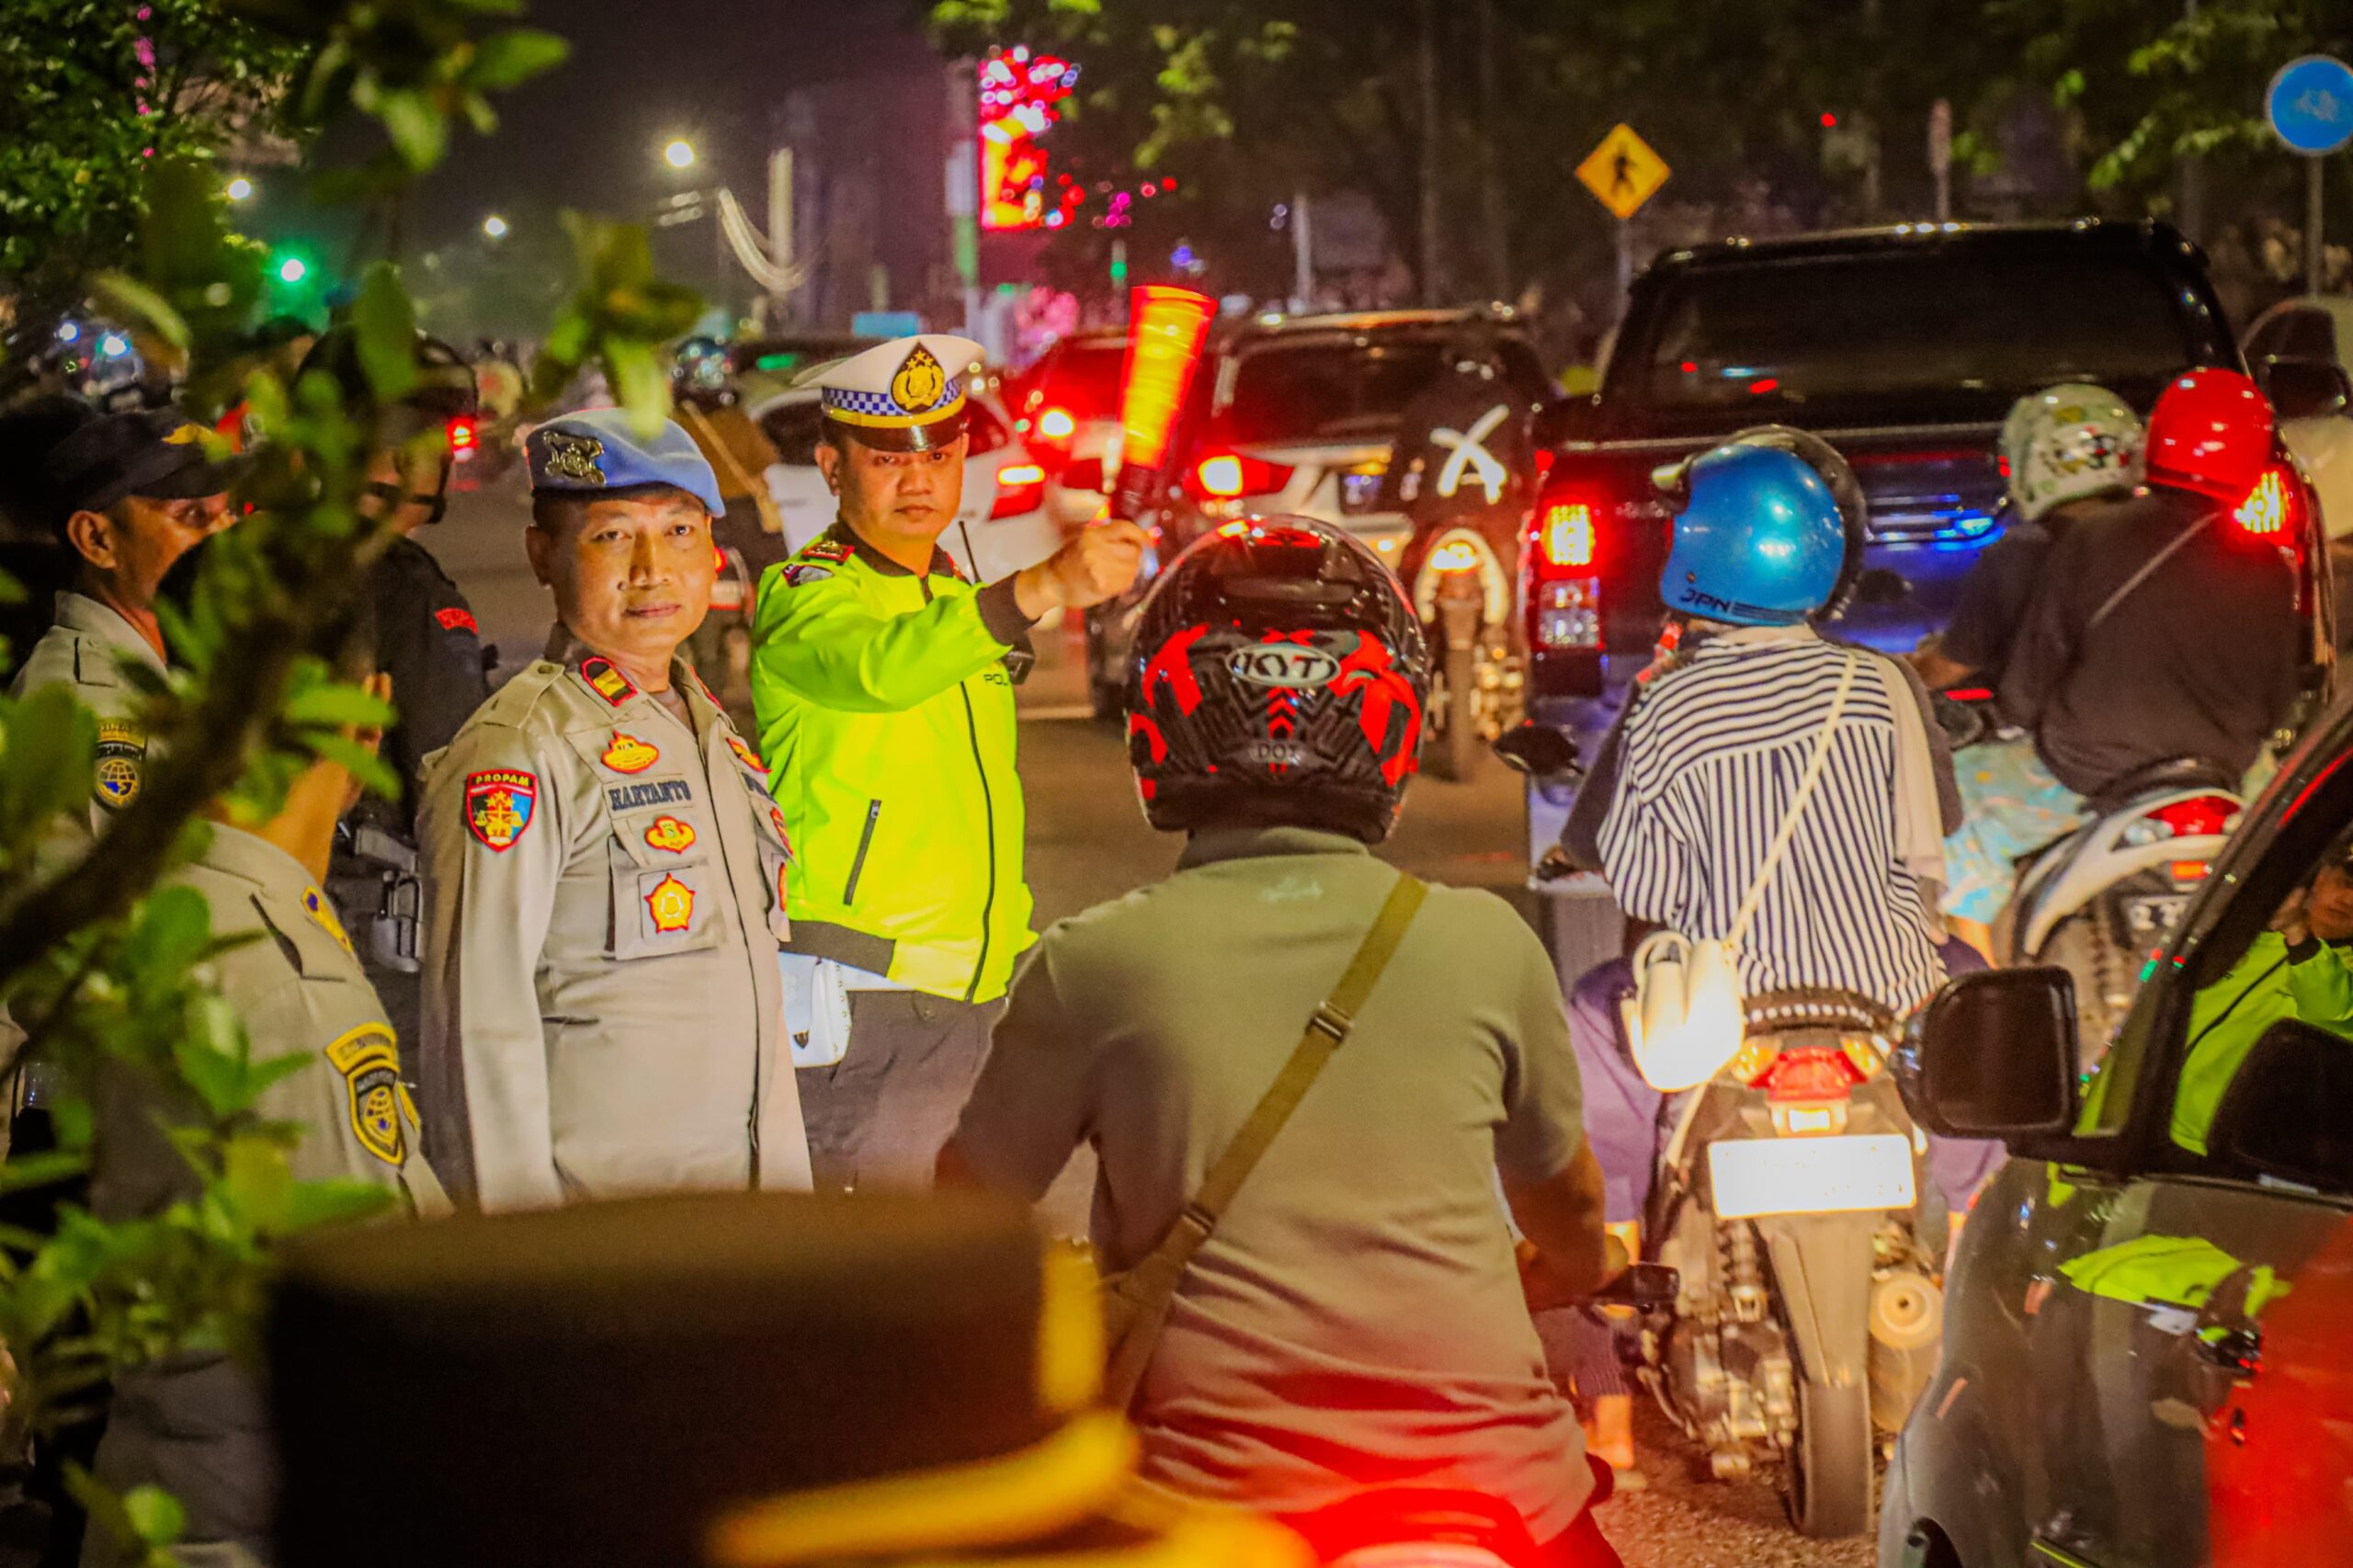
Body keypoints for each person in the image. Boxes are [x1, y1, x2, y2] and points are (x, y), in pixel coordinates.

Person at [941, 517, 1624, 1567]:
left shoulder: (1095, 960)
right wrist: (1564, 1267)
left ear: (1163, 722)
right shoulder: (1483, 941)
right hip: (1496, 1498)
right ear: (1392, 718)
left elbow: (968, 1224)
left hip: (1204, 1512)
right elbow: (1568, 1209)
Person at [80, 535, 445, 1568]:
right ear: (366, 709)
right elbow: (374, 1300)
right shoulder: (279, 969)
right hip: (259, 1511)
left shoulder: (162, 901)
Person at [1552, 435, 1972, 1273]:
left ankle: (1622, 1275)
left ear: (1704, 553)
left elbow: (1646, 883)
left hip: (1728, 1012)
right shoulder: (1885, 684)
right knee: (1979, 1014)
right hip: (1886, 1003)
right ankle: (1967, 1256)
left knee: (1593, 1020)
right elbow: (1941, 830)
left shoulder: (1667, 701)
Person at [749, 335, 1145, 1193]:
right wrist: (1039, 589)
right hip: (866, 986)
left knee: (955, 1278)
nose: (918, 479)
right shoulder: (809, 593)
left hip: (970, 987)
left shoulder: (949, 597)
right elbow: (883, 668)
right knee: (869, 1283)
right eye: (888, 459)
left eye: (939, 453)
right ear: (831, 466)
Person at [415, 407, 810, 1210]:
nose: (651, 569)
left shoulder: (708, 732)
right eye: (610, 536)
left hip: (739, 1217)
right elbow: (475, 1034)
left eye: (678, 532)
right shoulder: (520, 752)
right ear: (542, 554)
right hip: (604, 1246)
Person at [299, 327, 491, 1065]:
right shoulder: (383, 583)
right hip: (368, 935)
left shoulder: (258, 562)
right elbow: (458, 782)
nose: (434, 456)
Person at [1996, 368, 2301, 824]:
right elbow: (2278, 700)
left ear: (2154, 441)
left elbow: (2030, 679)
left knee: (1965, 821)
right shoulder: (2273, 567)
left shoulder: (2095, 536)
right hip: (2219, 775)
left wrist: (2009, 716)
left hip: (2087, 770)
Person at [1920, 386, 2145, 951]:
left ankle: (1983, 987)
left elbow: (1946, 667)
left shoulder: (2018, 554)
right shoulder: (2174, 539)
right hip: (2212, 762)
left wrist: (1894, 669)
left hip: (2074, 775)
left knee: (1954, 816)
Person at [7, 403, 234, 830]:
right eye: (192, 516)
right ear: (97, 540)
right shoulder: (92, 709)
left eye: (230, 512)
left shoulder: (159, 667)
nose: (225, 534)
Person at [2172, 844, 2353, 1155]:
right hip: (2143, 1122)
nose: (2348, 900)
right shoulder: (2245, 935)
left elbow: (2331, 1010)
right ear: (2321, 878)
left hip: (2217, 1156)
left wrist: (2297, 934)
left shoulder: (2340, 975)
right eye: (2346, 884)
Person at [670, 335, 785, 737]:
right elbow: (766, 459)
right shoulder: (737, 422)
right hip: (741, 517)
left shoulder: (673, 427)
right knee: (775, 582)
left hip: (694, 520)